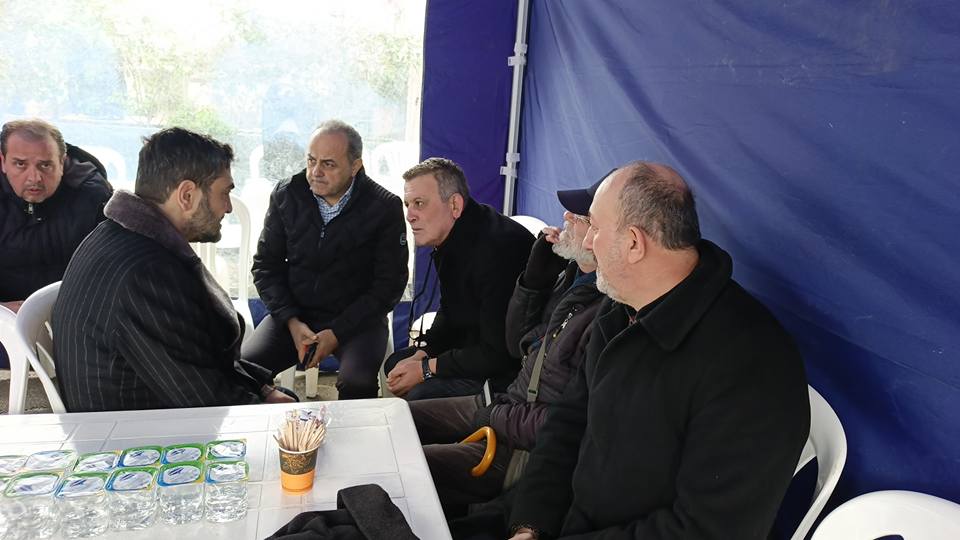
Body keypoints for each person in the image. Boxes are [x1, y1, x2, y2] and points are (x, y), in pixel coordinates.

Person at [456, 162, 810, 540]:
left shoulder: (752, 363)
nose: (587, 242)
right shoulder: (620, 308)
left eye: (595, 227)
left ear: (633, 244)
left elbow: (708, 529)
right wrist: (530, 524)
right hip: (557, 517)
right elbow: (567, 425)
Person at [52, 127, 295, 412]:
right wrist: (273, 412)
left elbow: (194, 358)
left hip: (155, 408)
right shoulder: (146, 274)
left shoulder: (115, 235)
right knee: (295, 417)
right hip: (140, 433)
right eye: (225, 192)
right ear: (187, 195)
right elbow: (204, 401)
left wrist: (263, 388)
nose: (228, 208)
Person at [409, 177, 606, 517]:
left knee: (408, 467)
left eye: (580, 217)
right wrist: (533, 281)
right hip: (509, 403)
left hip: (519, 445)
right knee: (403, 418)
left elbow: (566, 421)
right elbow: (517, 344)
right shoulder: (572, 279)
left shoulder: (606, 314)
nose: (566, 219)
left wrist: (494, 414)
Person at [244, 120, 409, 399]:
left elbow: (390, 285)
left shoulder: (383, 207)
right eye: (311, 161)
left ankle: (355, 431)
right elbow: (265, 267)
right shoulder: (287, 195)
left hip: (358, 321)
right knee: (243, 371)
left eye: (328, 164)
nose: (315, 172)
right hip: (295, 315)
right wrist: (292, 322)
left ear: (355, 166)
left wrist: (337, 332)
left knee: (357, 383)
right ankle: (279, 416)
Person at [384, 158, 534, 401]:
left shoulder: (498, 250)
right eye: (407, 204)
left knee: (421, 394)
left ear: (454, 204)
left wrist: (426, 369)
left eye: (419, 203)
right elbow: (451, 310)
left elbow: (498, 354)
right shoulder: (456, 235)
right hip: (474, 347)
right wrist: (424, 353)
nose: (409, 216)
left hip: (508, 371)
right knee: (396, 363)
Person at [0, 118, 112, 312]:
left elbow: (110, 273)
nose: (34, 178)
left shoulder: (93, 197)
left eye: (45, 165)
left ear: (62, 162)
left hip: (74, 312)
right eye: (20, 164)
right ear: (3, 162)